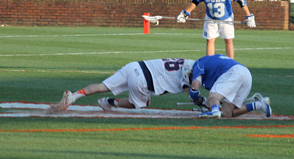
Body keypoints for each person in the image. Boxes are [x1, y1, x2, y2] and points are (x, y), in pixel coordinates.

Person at [176, 0, 256, 59]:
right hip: (211, 17)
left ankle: (231, 64)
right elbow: (195, 1)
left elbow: (240, 0)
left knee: (228, 40)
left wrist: (249, 15)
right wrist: (185, 13)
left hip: (226, 17)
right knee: (210, 40)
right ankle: (210, 63)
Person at [59, 58, 196, 111]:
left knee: (102, 86)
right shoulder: (187, 75)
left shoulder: (185, 62)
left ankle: (73, 96)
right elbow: (193, 95)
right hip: (142, 79)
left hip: (134, 66)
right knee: (139, 104)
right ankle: (108, 102)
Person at [187, 54, 272, 119]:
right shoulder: (208, 63)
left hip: (233, 71)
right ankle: (260, 104)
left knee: (212, 98)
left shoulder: (197, 64)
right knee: (226, 113)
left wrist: (201, 100)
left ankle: (215, 111)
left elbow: (195, 90)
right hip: (245, 73)